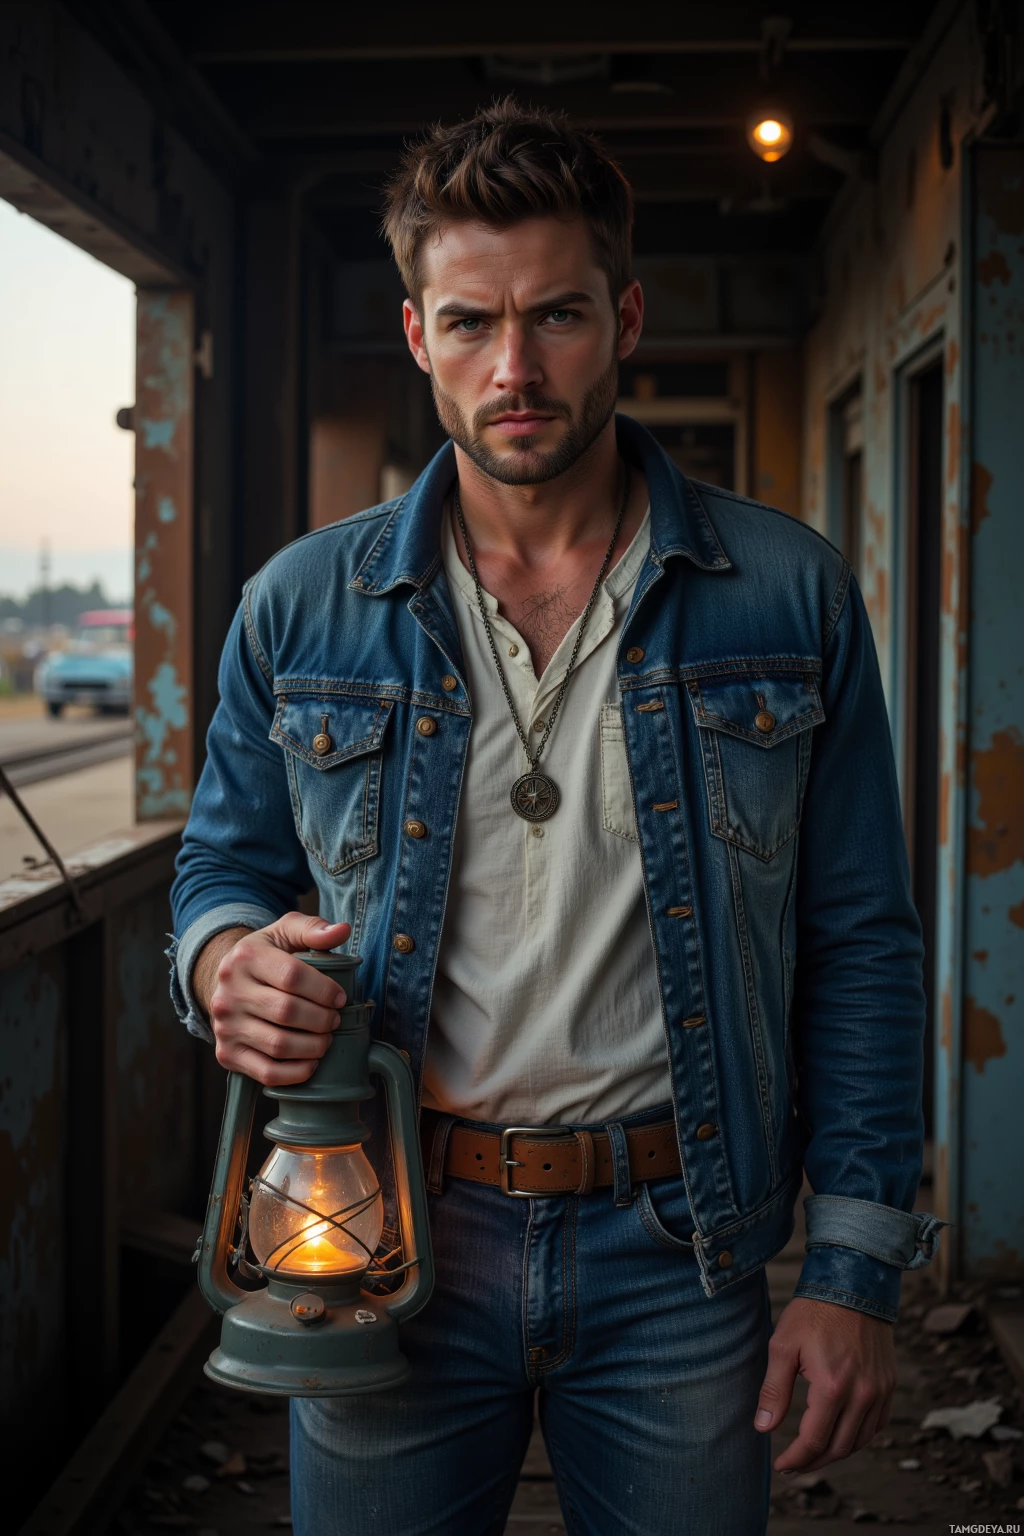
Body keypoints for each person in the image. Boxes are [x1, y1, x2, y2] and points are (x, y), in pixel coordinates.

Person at [169, 99, 944, 1536]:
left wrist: (848, 1275)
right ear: (417, 337)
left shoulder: (786, 595)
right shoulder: (303, 606)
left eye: (558, 316)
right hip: (380, 1228)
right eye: (468, 322)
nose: (513, 368)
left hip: (680, 1242)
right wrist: (225, 960)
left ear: (627, 315)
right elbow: (223, 865)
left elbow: (864, 943)